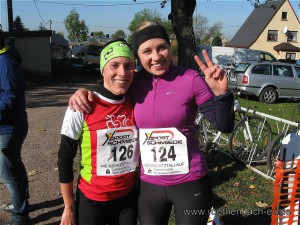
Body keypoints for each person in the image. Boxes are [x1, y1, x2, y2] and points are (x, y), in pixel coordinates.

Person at [69, 21, 234, 225]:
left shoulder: (190, 79)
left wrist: (222, 94)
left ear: (169, 47)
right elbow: (109, 86)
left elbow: (224, 125)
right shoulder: (133, 82)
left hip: (189, 181)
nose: (156, 57)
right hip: (149, 187)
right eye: (147, 51)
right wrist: (84, 92)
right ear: (138, 57)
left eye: (161, 48)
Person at [57, 39, 139, 225]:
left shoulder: (136, 101)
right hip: (92, 199)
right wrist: (69, 207)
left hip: (127, 198)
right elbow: (64, 158)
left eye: (128, 66)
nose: (122, 73)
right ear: (103, 69)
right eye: (114, 65)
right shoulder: (82, 105)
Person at [0, 30, 30, 225]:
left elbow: (9, 97)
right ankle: (21, 204)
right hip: (10, 126)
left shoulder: (5, 61)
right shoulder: (5, 58)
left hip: (9, 128)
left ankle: (20, 215)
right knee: (15, 167)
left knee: (8, 173)